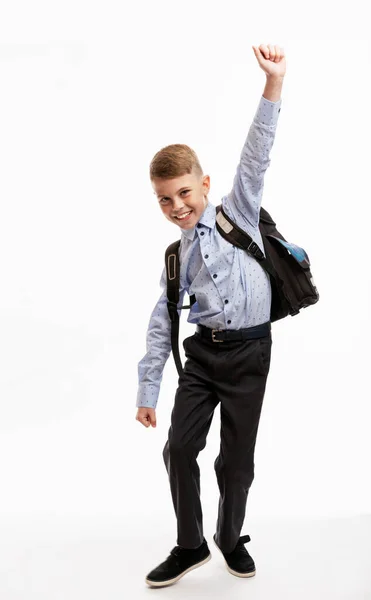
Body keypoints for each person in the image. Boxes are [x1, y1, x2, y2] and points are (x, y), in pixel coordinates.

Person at [135, 43, 286, 588]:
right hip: (202, 358)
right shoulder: (176, 257)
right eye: (163, 199)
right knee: (179, 448)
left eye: (183, 192)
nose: (177, 206)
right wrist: (148, 391)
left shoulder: (236, 211)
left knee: (236, 464)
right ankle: (190, 543)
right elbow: (161, 324)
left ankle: (228, 536)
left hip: (250, 354)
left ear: (203, 183)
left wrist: (273, 83)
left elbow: (258, 153)